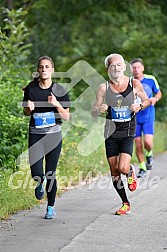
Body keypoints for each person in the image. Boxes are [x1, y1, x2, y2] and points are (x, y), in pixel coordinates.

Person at [91, 53, 150, 215]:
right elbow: (94, 112)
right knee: (114, 170)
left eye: (119, 65)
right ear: (107, 69)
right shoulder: (103, 88)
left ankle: (130, 171)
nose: (116, 68)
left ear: (124, 67)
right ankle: (125, 203)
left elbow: (147, 101)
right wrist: (99, 109)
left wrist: (140, 107)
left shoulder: (134, 83)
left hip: (127, 130)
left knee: (122, 167)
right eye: (112, 65)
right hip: (110, 131)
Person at [22, 56, 70, 219]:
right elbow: (25, 112)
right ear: (38, 70)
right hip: (35, 134)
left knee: (51, 172)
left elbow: (66, 117)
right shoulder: (31, 89)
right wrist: (29, 109)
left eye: (47, 67)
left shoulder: (60, 90)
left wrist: (56, 103)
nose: (43, 69)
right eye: (41, 67)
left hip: (53, 135)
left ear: (52, 70)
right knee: (36, 171)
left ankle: (50, 207)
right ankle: (39, 181)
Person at [130, 58, 162, 178]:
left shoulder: (150, 79)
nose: (136, 70)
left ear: (142, 68)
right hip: (134, 118)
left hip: (148, 115)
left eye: (138, 67)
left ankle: (149, 154)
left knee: (147, 142)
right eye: (134, 68)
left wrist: (155, 99)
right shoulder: (129, 82)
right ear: (131, 70)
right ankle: (142, 167)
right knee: (137, 143)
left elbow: (158, 93)